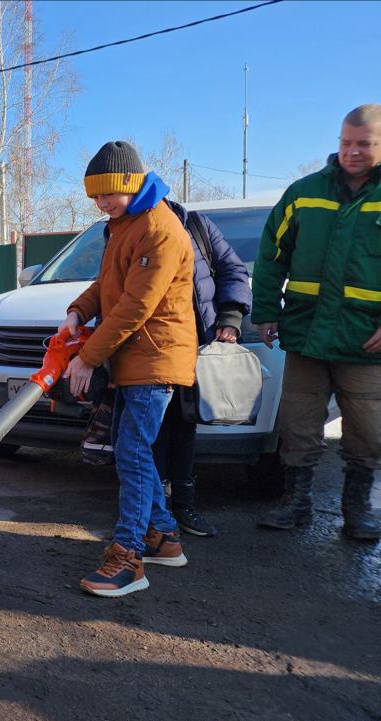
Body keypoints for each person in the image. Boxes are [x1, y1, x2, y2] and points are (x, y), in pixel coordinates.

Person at [61, 141, 197, 597]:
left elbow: (136, 305)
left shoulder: (159, 228)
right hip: (135, 358)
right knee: (130, 449)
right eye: (95, 197)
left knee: (133, 452)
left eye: (108, 194)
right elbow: (108, 285)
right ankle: (164, 537)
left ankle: (129, 558)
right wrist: (78, 310)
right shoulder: (124, 225)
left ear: (132, 183)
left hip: (155, 359)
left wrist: (87, 357)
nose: (101, 203)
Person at [252, 104, 381, 540]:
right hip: (306, 336)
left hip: (365, 342)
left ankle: (357, 510)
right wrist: (266, 311)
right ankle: (296, 504)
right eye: (346, 142)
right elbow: (271, 255)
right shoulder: (304, 193)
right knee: (298, 423)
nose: (352, 151)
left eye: (364, 144)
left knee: (368, 431)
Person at [152, 200, 252, 537]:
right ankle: (155, 512)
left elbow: (233, 270)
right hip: (151, 352)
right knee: (152, 433)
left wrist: (231, 317)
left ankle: (183, 507)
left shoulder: (197, 226)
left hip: (195, 348)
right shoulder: (127, 229)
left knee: (183, 427)